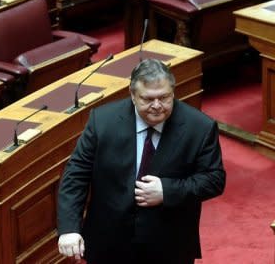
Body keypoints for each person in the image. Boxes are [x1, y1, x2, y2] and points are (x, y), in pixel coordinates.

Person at [57, 58, 226, 264]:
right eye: (148, 99)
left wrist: (167, 191)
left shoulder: (199, 127)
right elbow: (76, 174)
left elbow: (214, 180)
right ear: (132, 95)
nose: (157, 106)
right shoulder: (102, 121)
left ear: (173, 92)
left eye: (164, 97)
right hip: (109, 242)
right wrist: (69, 228)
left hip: (169, 244)